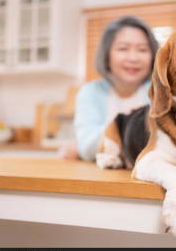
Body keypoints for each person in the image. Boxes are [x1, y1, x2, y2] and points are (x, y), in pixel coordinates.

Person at [61, 16, 158, 161]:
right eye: (123, 48)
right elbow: (87, 148)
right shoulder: (90, 92)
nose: (133, 58)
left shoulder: (161, 91)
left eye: (142, 50)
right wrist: (123, 122)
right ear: (107, 55)